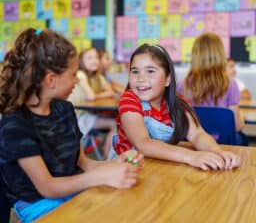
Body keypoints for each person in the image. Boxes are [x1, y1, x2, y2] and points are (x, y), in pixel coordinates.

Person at [0, 28, 143, 223]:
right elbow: (47, 187)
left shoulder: (65, 110)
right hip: (36, 204)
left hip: (72, 190)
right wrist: (101, 176)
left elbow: (83, 163)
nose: (77, 80)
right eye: (74, 74)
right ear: (51, 79)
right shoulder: (15, 125)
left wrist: (113, 164)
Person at [108, 43, 240, 171]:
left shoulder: (177, 102)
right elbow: (143, 144)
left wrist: (218, 152)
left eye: (150, 71)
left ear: (167, 79)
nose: (141, 78)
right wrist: (191, 156)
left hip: (160, 167)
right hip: (126, 169)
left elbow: (197, 134)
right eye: (135, 71)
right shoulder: (129, 99)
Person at [177, 33, 244, 132]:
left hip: (191, 143)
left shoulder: (181, 85)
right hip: (222, 143)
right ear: (221, 55)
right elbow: (237, 126)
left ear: (195, 55)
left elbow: (178, 122)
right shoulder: (230, 84)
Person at [69, 47, 117, 158]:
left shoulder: (98, 76)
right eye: (89, 58)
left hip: (88, 114)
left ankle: (107, 152)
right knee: (115, 124)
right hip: (77, 117)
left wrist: (97, 96)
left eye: (95, 57)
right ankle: (107, 158)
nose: (94, 60)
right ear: (81, 61)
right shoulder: (80, 74)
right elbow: (91, 96)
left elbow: (111, 91)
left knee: (118, 120)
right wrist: (97, 96)